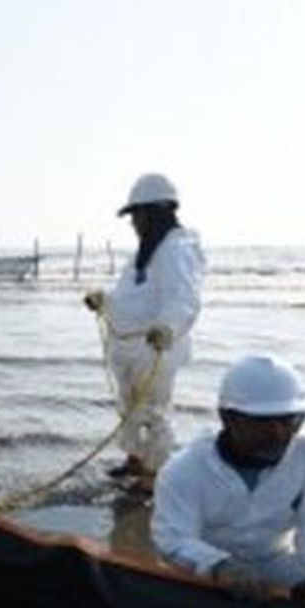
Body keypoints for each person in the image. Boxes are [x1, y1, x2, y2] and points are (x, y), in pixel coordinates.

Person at [151, 353, 305, 602]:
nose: (280, 434)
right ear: (228, 417)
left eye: (291, 421)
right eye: (264, 423)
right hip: (204, 569)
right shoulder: (185, 469)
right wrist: (219, 566)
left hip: (273, 560)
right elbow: (174, 540)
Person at [85, 173, 206, 487]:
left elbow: (184, 298)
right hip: (129, 349)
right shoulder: (144, 252)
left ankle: (154, 474)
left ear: (155, 213)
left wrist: (168, 328)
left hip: (154, 351)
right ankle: (135, 460)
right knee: (129, 409)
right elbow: (130, 296)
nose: (133, 223)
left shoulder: (176, 250)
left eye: (136, 215)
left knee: (154, 413)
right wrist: (103, 300)